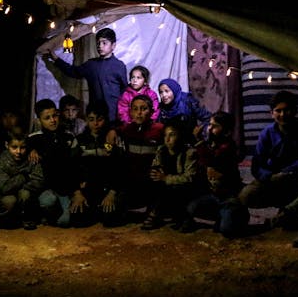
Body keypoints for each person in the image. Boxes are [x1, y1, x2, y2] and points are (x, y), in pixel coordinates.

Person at [230, 90, 298, 235]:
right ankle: (284, 212)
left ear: (294, 111)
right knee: (246, 196)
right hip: (275, 180)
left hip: (297, 178)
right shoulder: (266, 133)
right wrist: (269, 177)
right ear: (272, 113)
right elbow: (257, 165)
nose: (282, 114)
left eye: (286, 110)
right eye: (278, 111)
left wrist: (287, 172)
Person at [43, 27, 128, 125]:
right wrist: (56, 59)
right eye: (98, 43)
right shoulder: (91, 65)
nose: (100, 46)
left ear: (113, 45)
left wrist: (123, 113)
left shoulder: (119, 66)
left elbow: (124, 91)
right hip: (95, 116)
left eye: (104, 43)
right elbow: (73, 71)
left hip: (114, 116)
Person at [182, 111, 242, 234]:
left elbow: (211, 161)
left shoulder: (228, 147)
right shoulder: (211, 144)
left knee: (227, 230)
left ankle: (237, 214)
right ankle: (219, 216)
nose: (209, 129)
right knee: (190, 207)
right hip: (213, 195)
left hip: (228, 198)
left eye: (215, 126)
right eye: (210, 125)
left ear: (227, 131)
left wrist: (198, 140)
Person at [26, 98, 81, 228]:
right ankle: (45, 214)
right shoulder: (33, 139)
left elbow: (76, 164)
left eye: (54, 116)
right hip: (45, 188)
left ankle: (60, 212)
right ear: (39, 120)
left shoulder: (68, 137)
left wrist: (76, 190)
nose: (53, 120)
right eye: (47, 118)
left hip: (65, 188)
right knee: (47, 200)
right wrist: (30, 149)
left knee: (67, 221)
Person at [142, 124, 205, 230]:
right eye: (165, 135)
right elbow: (156, 166)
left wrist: (166, 178)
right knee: (152, 184)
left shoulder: (189, 153)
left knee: (173, 189)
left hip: (184, 189)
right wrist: (154, 172)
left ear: (180, 136)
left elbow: (189, 178)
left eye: (172, 135)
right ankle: (156, 213)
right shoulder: (161, 150)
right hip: (166, 186)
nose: (167, 139)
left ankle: (159, 214)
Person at [113, 93, 165, 223]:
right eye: (135, 109)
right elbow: (116, 130)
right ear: (130, 112)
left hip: (152, 181)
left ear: (152, 111)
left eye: (143, 109)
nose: (139, 113)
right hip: (132, 180)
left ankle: (155, 210)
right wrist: (112, 131)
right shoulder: (127, 130)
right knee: (112, 218)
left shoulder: (159, 130)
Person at [74, 101, 124, 227]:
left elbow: (118, 167)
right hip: (88, 188)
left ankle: (103, 209)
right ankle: (94, 209)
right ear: (86, 119)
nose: (95, 123)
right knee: (79, 220)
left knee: (110, 220)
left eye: (99, 119)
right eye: (91, 119)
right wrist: (77, 193)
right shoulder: (80, 140)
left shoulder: (109, 140)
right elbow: (72, 167)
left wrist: (112, 193)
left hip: (107, 189)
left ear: (105, 119)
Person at [0, 127, 45, 232]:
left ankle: (25, 218)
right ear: (6, 145)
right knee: (10, 201)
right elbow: (5, 188)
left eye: (22, 148)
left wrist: (17, 185)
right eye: (14, 147)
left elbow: (39, 181)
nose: (18, 151)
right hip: (6, 195)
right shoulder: (2, 160)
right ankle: (0, 218)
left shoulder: (32, 157)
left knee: (25, 194)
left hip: (23, 193)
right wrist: (24, 177)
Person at [156, 77, 212, 145]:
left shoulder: (187, 102)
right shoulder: (162, 108)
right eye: (161, 92)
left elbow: (207, 117)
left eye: (167, 91)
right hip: (171, 144)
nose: (164, 95)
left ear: (174, 90)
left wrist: (200, 130)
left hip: (190, 142)